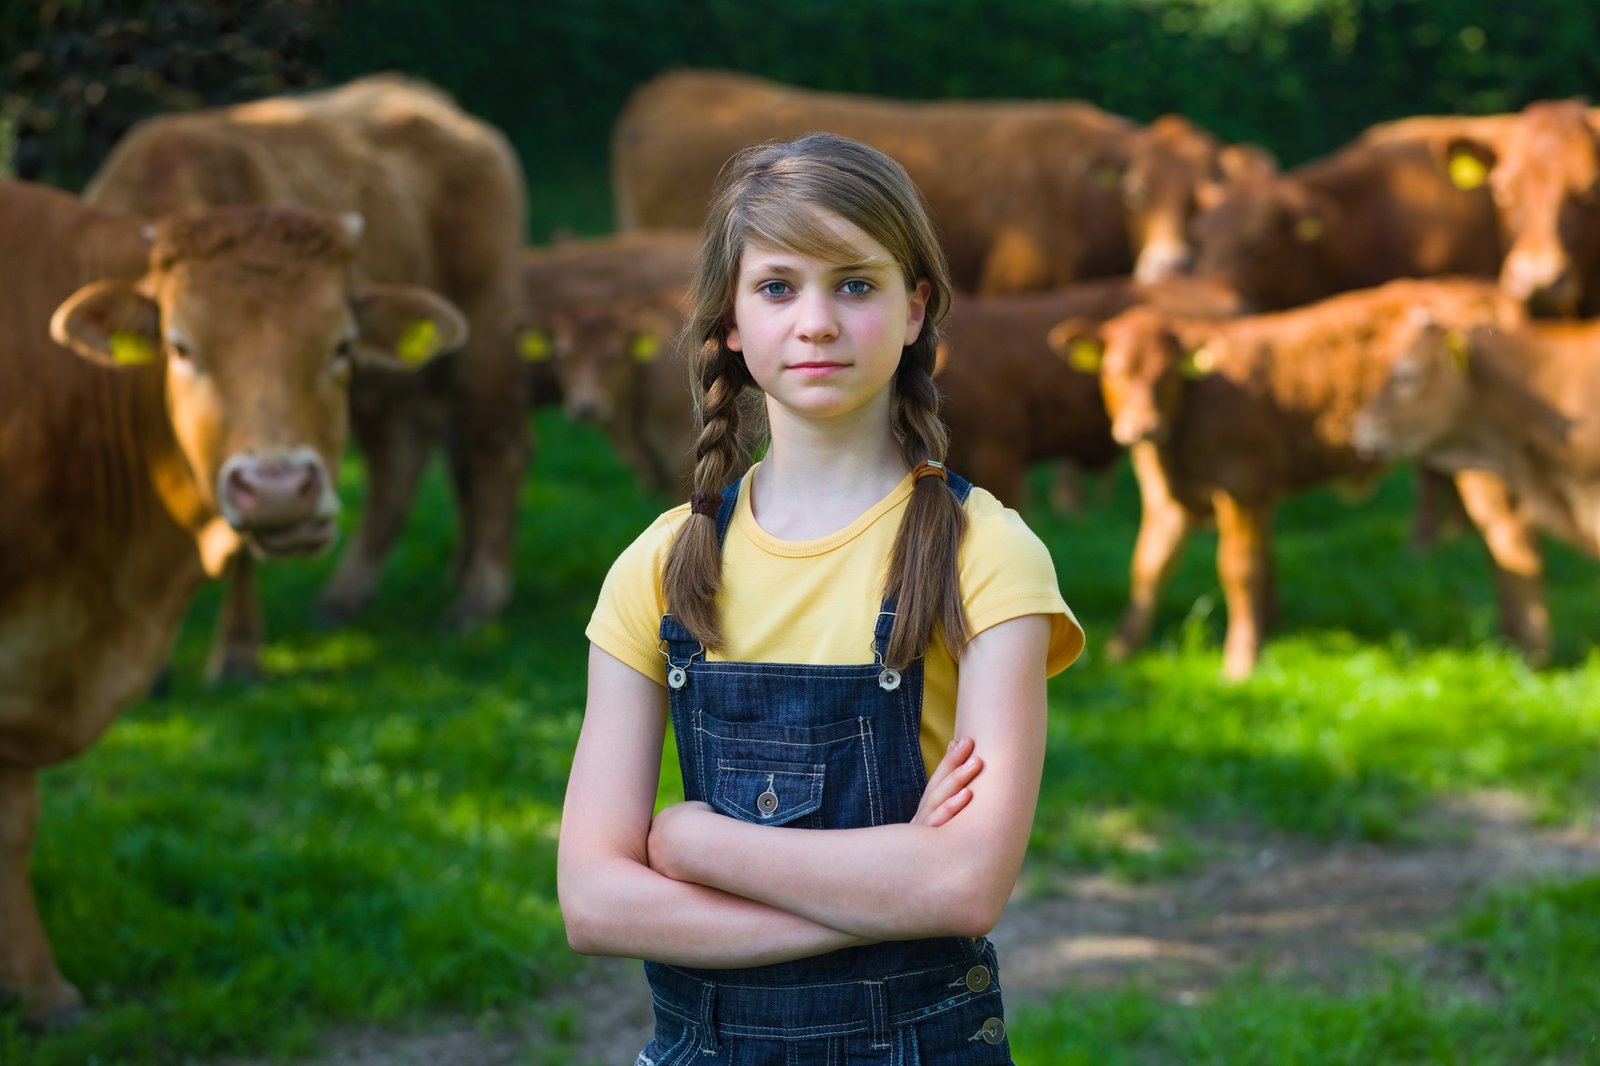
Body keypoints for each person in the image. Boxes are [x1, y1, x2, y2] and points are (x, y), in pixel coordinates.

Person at [557, 131, 1084, 1065]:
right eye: (776, 287)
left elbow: (965, 888)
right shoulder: (659, 567)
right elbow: (595, 904)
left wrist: (694, 845)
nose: (816, 322)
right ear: (728, 321)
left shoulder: (986, 555)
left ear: (915, 308)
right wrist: (886, 893)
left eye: (854, 285)